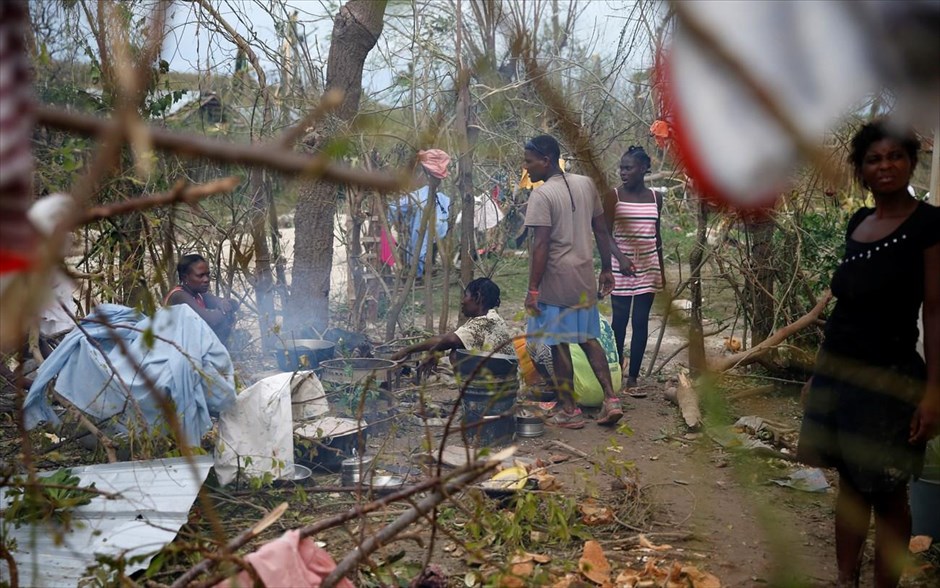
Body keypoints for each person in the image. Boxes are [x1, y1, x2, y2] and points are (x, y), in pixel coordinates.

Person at [797, 120, 940, 588]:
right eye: (874, 159)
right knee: (851, 487)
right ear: (861, 169)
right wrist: (820, 374)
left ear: (910, 161)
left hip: (891, 381)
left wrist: (933, 393)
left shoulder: (929, 225)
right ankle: (844, 580)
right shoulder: (858, 223)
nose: (885, 166)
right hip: (842, 378)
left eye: (894, 157)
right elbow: (844, 311)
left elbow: (935, 314)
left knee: (889, 494)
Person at [522, 134, 622, 429]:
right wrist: (607, 269)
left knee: (559, 344)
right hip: (583, 276)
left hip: (556, 279)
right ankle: (611, 399)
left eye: (530, 162)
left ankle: (569, 410)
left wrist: (532, 289)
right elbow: (601, 231)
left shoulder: (541, 196)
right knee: (588, 338)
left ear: (547, 160)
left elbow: (541, 246)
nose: (527, 169)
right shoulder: (586, 184)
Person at [607, 146, 665, 394]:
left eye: (628, 168)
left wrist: (660, 270)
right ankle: (616, 371)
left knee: (640, 322)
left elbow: (656, 235)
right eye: (621, 168)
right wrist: (619, 259)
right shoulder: (613, 197)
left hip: (648, 268)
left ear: (643, 169)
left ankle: (633, 379)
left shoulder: (655, 198)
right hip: (621, 269)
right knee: (618, 322)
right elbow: (604, 235)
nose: (623, 172)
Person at [390, 277, 513, 378]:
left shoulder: (486, 321)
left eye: (465, 296)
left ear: (477, 297)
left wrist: (433, 352)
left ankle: (475, 398)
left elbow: (451, 340)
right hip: (505, 380)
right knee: (458, 347)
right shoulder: (489, 318)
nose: (462, 301)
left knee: (456, 354)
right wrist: (407, 350)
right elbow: (446, 338)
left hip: (499, 384)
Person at [393, 149, 451, 278]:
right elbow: (395, 207)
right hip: (427, 233)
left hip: (428, 233)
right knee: (422, 250)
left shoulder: (436, 197)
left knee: (422, 250)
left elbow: (395, 207)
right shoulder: (423, 196)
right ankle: (420, 272)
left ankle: (420, 273)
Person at [165, 254, 239, 344]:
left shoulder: (199, 294)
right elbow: (211, 321)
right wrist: (224, 309)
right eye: (200, 276)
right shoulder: (179, 296)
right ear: (185, 277)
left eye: (207, 275)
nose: (206, 280)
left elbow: (234, 304)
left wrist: (223, 304)